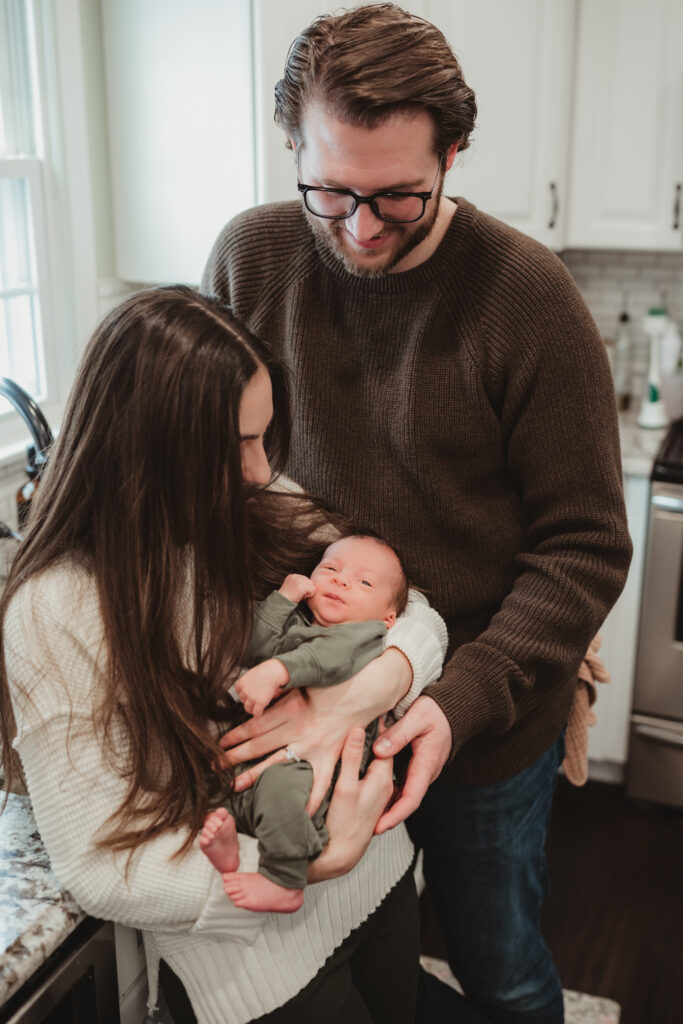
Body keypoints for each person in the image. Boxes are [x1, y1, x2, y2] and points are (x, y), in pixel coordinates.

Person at [201, 4, 633, 1022]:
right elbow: (217, 470)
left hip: (481, 714)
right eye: (330, 191)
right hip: (316, 698)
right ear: (291, 147)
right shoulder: (249, 260)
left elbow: (582, 547)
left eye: (398, 197)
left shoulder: (525, 298)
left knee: (500, 966)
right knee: (364, 947)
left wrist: (452, 698)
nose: (358, 230)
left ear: (454, 154)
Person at [0, 286, 447, 1024]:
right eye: (237, 445)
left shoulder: (251, 504)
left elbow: (408, 605)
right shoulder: (57, 609)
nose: (261, 469)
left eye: (262, 438)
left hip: (381, 881)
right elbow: (101, 866)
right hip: (259, 966)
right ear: (149, 447)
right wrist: (301, 869)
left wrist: (369, 688)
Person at [201, 533, 419, 913]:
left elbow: (327, 658)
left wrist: (279, 669)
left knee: (284, 796)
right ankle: (231, 850)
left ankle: (285, 880)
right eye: (330, 569)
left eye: (364, 582)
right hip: (263, 753)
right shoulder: (298, 619)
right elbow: (253, 645)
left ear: (388, 618)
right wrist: (282, 599)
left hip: (314, 764)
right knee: (211, 787)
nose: (341, 580)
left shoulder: (364, 636)